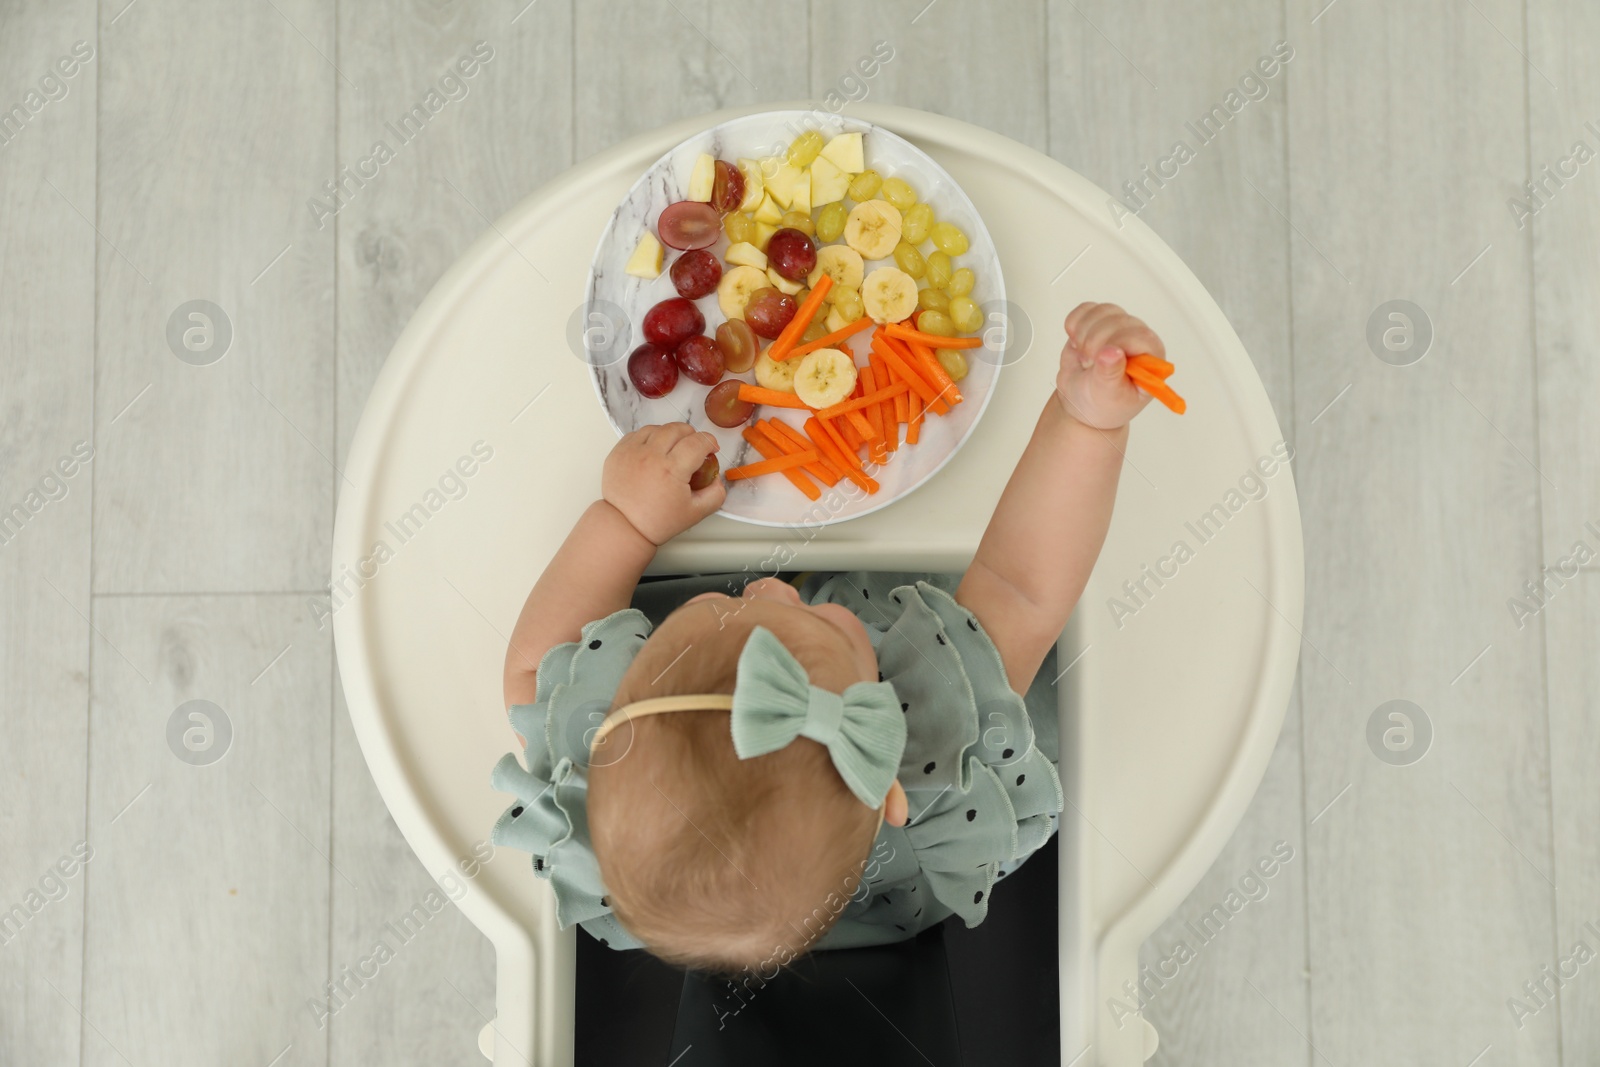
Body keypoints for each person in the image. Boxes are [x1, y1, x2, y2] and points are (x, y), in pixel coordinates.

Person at [491, 302, 1165, 977]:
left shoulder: (607, 817)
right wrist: (1087, 420)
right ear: (887, 760)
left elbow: (530, 670)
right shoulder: (936, 745)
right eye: (813, 620)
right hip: (937, 844)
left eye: (718, 609)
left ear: (609, 721)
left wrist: (626, 522)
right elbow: (1022, 585)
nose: (768, 587)